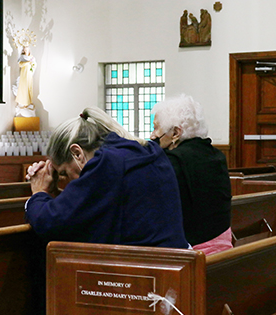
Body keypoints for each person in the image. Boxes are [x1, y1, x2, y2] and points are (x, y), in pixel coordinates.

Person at [25, 107, 189, 249]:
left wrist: (39, 192)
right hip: (171, 264)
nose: (68, 182)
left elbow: (50, 223)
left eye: (64, 174)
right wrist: (53, 193)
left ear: (77, 153)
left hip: (142, 271)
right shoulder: (147, 151)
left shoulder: (107, 162)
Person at [150, 94, 232, 255]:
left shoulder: (172, 163)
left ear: (175, 133)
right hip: (223, 246)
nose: (153, 135)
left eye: (156, 127)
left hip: (193, 255)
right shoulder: (215, 155)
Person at [14, 46, 36, 117]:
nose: (25, 51)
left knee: (29, 88)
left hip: (29, 75)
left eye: (27, 50)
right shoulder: (22, 57)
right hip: (23, 75)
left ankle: (28, 102)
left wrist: (31, 63)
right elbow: (20, 64)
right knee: (23, 88)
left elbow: (34, 65)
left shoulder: (32, 57)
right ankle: (23, 103)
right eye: (24, 50)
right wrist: (28, 62)